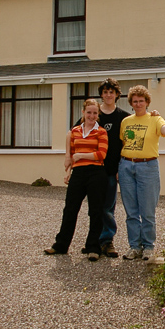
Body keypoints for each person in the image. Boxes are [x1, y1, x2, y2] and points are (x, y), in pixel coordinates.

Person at [45, 99, 108, 261]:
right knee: (70, 209)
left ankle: (93, 247)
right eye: (89, 112)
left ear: (98, 114)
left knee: (96, 211)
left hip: (96, 173)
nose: (92, 116)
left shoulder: (101, 132)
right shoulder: (75, 131)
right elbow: (71, 154)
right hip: (78, 173)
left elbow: (101, 155)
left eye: (95, 113)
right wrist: (69, 173)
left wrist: (81, 155)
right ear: (83, 113)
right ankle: (61, 245)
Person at [73, 78, 129, 258]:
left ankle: (107, 241)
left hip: (112, 169)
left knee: (107, 207)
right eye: (105, 92)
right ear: (101, 94)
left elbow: (126, 143)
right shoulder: (94, 113)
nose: (108, 95)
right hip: (91, 170)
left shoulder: (123, 117)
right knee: (95, 208)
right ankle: (94, 242)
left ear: (117, 94)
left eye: (111, 92)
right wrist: (69, 158)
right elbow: (73, 133)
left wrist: (122, 167)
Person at [118, 85, 165, 261]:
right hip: (126, 166)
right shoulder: (126, 121)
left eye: (141, 100)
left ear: (147, 102)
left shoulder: (155, 119)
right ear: (131, 103)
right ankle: (134, 246)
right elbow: (122, 143)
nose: (138, 103)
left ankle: (149, 247)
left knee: (148, 210)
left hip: (148, 167)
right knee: (131, 211)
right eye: (135, 101)